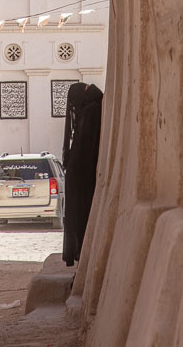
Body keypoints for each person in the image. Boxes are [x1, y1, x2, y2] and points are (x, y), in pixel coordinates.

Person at [62, 81, 103, 267]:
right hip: (84, 181)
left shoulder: (90, 112)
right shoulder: (93, 109)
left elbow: (83, 152)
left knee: (81, 220)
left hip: (83, 183)